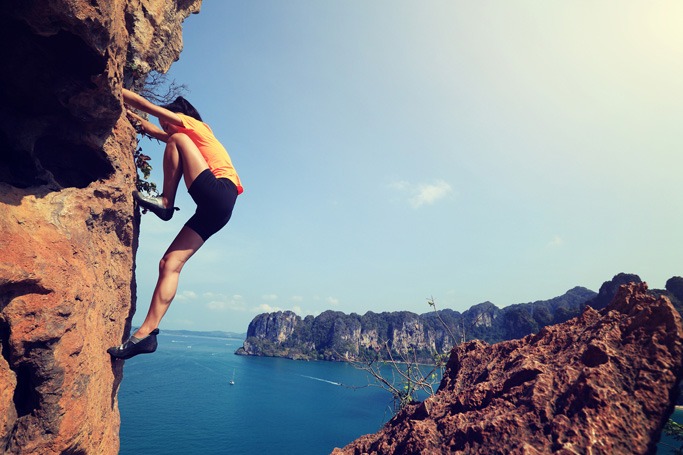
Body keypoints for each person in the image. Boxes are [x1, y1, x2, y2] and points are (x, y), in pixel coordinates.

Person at [108, 88, 243, 360]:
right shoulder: (190, 142)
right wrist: (132, 118)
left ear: (179, 115)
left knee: (178, 139)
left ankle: (166, 202)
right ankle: (146, 334)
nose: (165, 128)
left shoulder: (196, 127)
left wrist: (112, 88)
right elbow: (150, 128)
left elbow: (149, 107)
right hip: (217, 209)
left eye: (167, 122)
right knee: (169, 264)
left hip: (220, 190)